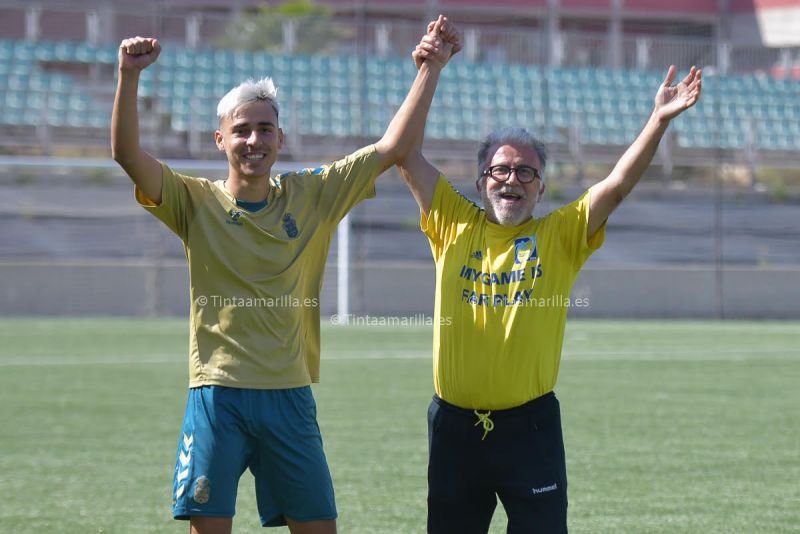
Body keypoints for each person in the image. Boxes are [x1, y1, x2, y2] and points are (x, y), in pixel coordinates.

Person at [111, 18, 459, 534]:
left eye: (265, 129)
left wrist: (430, 68)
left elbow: (393, 148)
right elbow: (127, 156)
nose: (254, 140)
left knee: (319, 527)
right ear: (219, 140)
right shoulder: (194, 200)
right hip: (218, 394)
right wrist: (128, 76)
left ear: (281, 137)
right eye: (241, 130)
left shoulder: (311, 193)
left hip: (289, 395)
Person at [403, 38, 702, 533]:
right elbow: (403, 152)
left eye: (526, 171)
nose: (512, 179)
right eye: (500, 169)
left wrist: (658, 121)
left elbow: (616, 185)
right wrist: (429, 70)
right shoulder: (451, 222)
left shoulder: (560, 234)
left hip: (531, 429)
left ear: (540, 187)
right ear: (481, 182)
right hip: (454, 428)